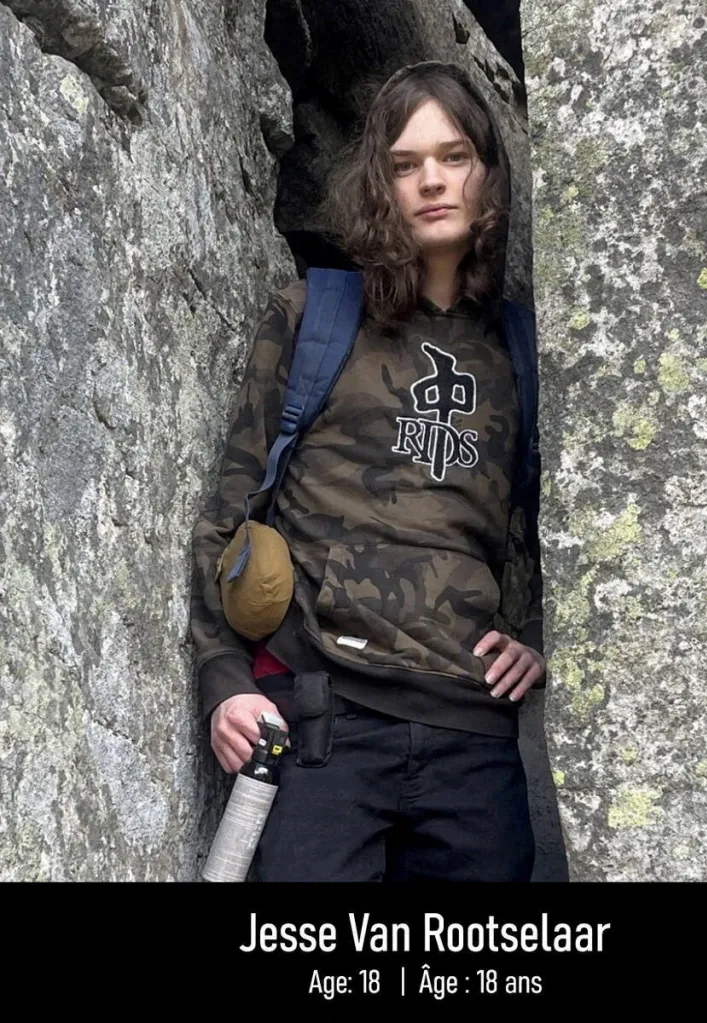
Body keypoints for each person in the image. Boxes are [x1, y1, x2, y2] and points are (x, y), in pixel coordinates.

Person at [190, 61, 544, 881]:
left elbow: (564, 536)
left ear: (488, 171)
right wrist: (224, 677)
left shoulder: (524, 350)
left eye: (453, 157)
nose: (430, 181)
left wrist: (536, 639)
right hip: (320, 712)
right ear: (378, 182)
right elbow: (230, 509)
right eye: (403, 163)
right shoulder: (315, 314)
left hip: (471, 731)